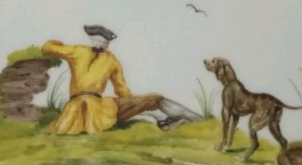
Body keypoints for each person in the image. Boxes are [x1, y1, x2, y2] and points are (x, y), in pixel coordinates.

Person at [42, 24, 201, 135]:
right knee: (156, 98)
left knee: (151, 102)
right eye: (106, 41)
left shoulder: (77, 51)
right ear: (101, 41)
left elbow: (48, 47)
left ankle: (168, 119)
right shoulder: (109, 59)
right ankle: (195, 119)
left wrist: (59, 44)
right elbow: (122, 89)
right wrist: (135, 103)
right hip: (99, 108)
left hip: (77, 107)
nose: (106, 44)